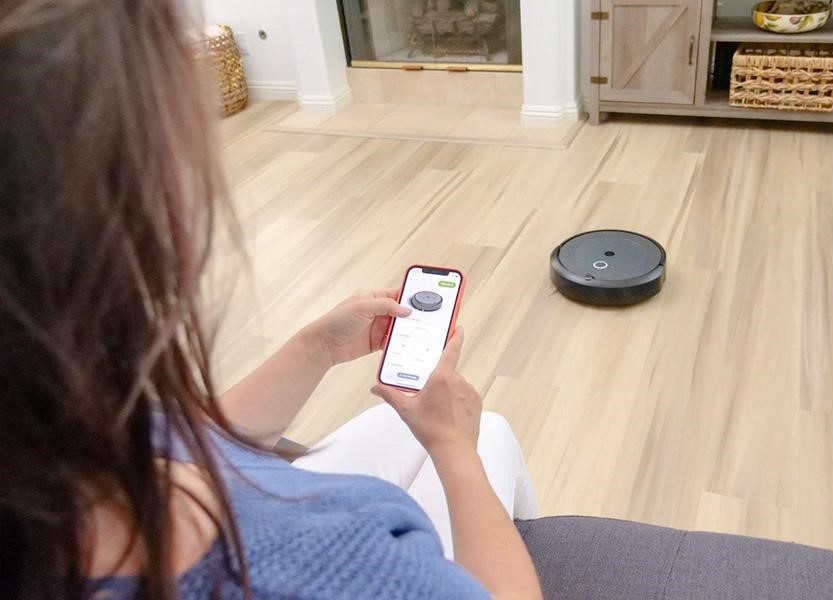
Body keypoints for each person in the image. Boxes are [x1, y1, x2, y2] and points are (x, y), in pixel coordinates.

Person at [0, 1, 542, 599]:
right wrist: (453, 450)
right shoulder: (333, 567)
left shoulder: (57, 424)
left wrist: (318, 347)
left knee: (417, 426)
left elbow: (185, 442)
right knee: (487, 434)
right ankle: (540, 544)